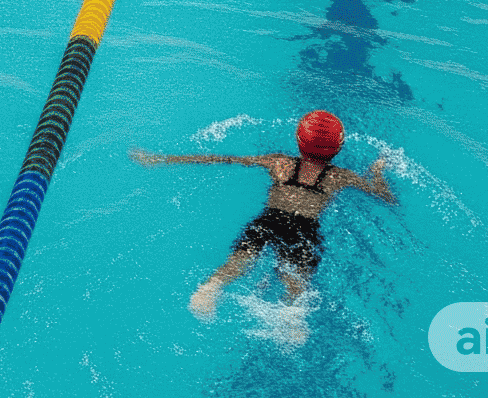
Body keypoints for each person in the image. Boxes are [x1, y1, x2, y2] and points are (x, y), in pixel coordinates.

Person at [135, 111, 396, 325]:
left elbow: (223, 159)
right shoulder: (340, 177)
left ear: (299, 141)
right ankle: (290, 318)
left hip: (270, 220)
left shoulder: (279, 163)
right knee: (296, 284)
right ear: (337, 147)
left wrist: (167, 159)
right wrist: (377, 171)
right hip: (304, 229)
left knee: (239, 260)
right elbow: (384, 196)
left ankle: (209, 289)